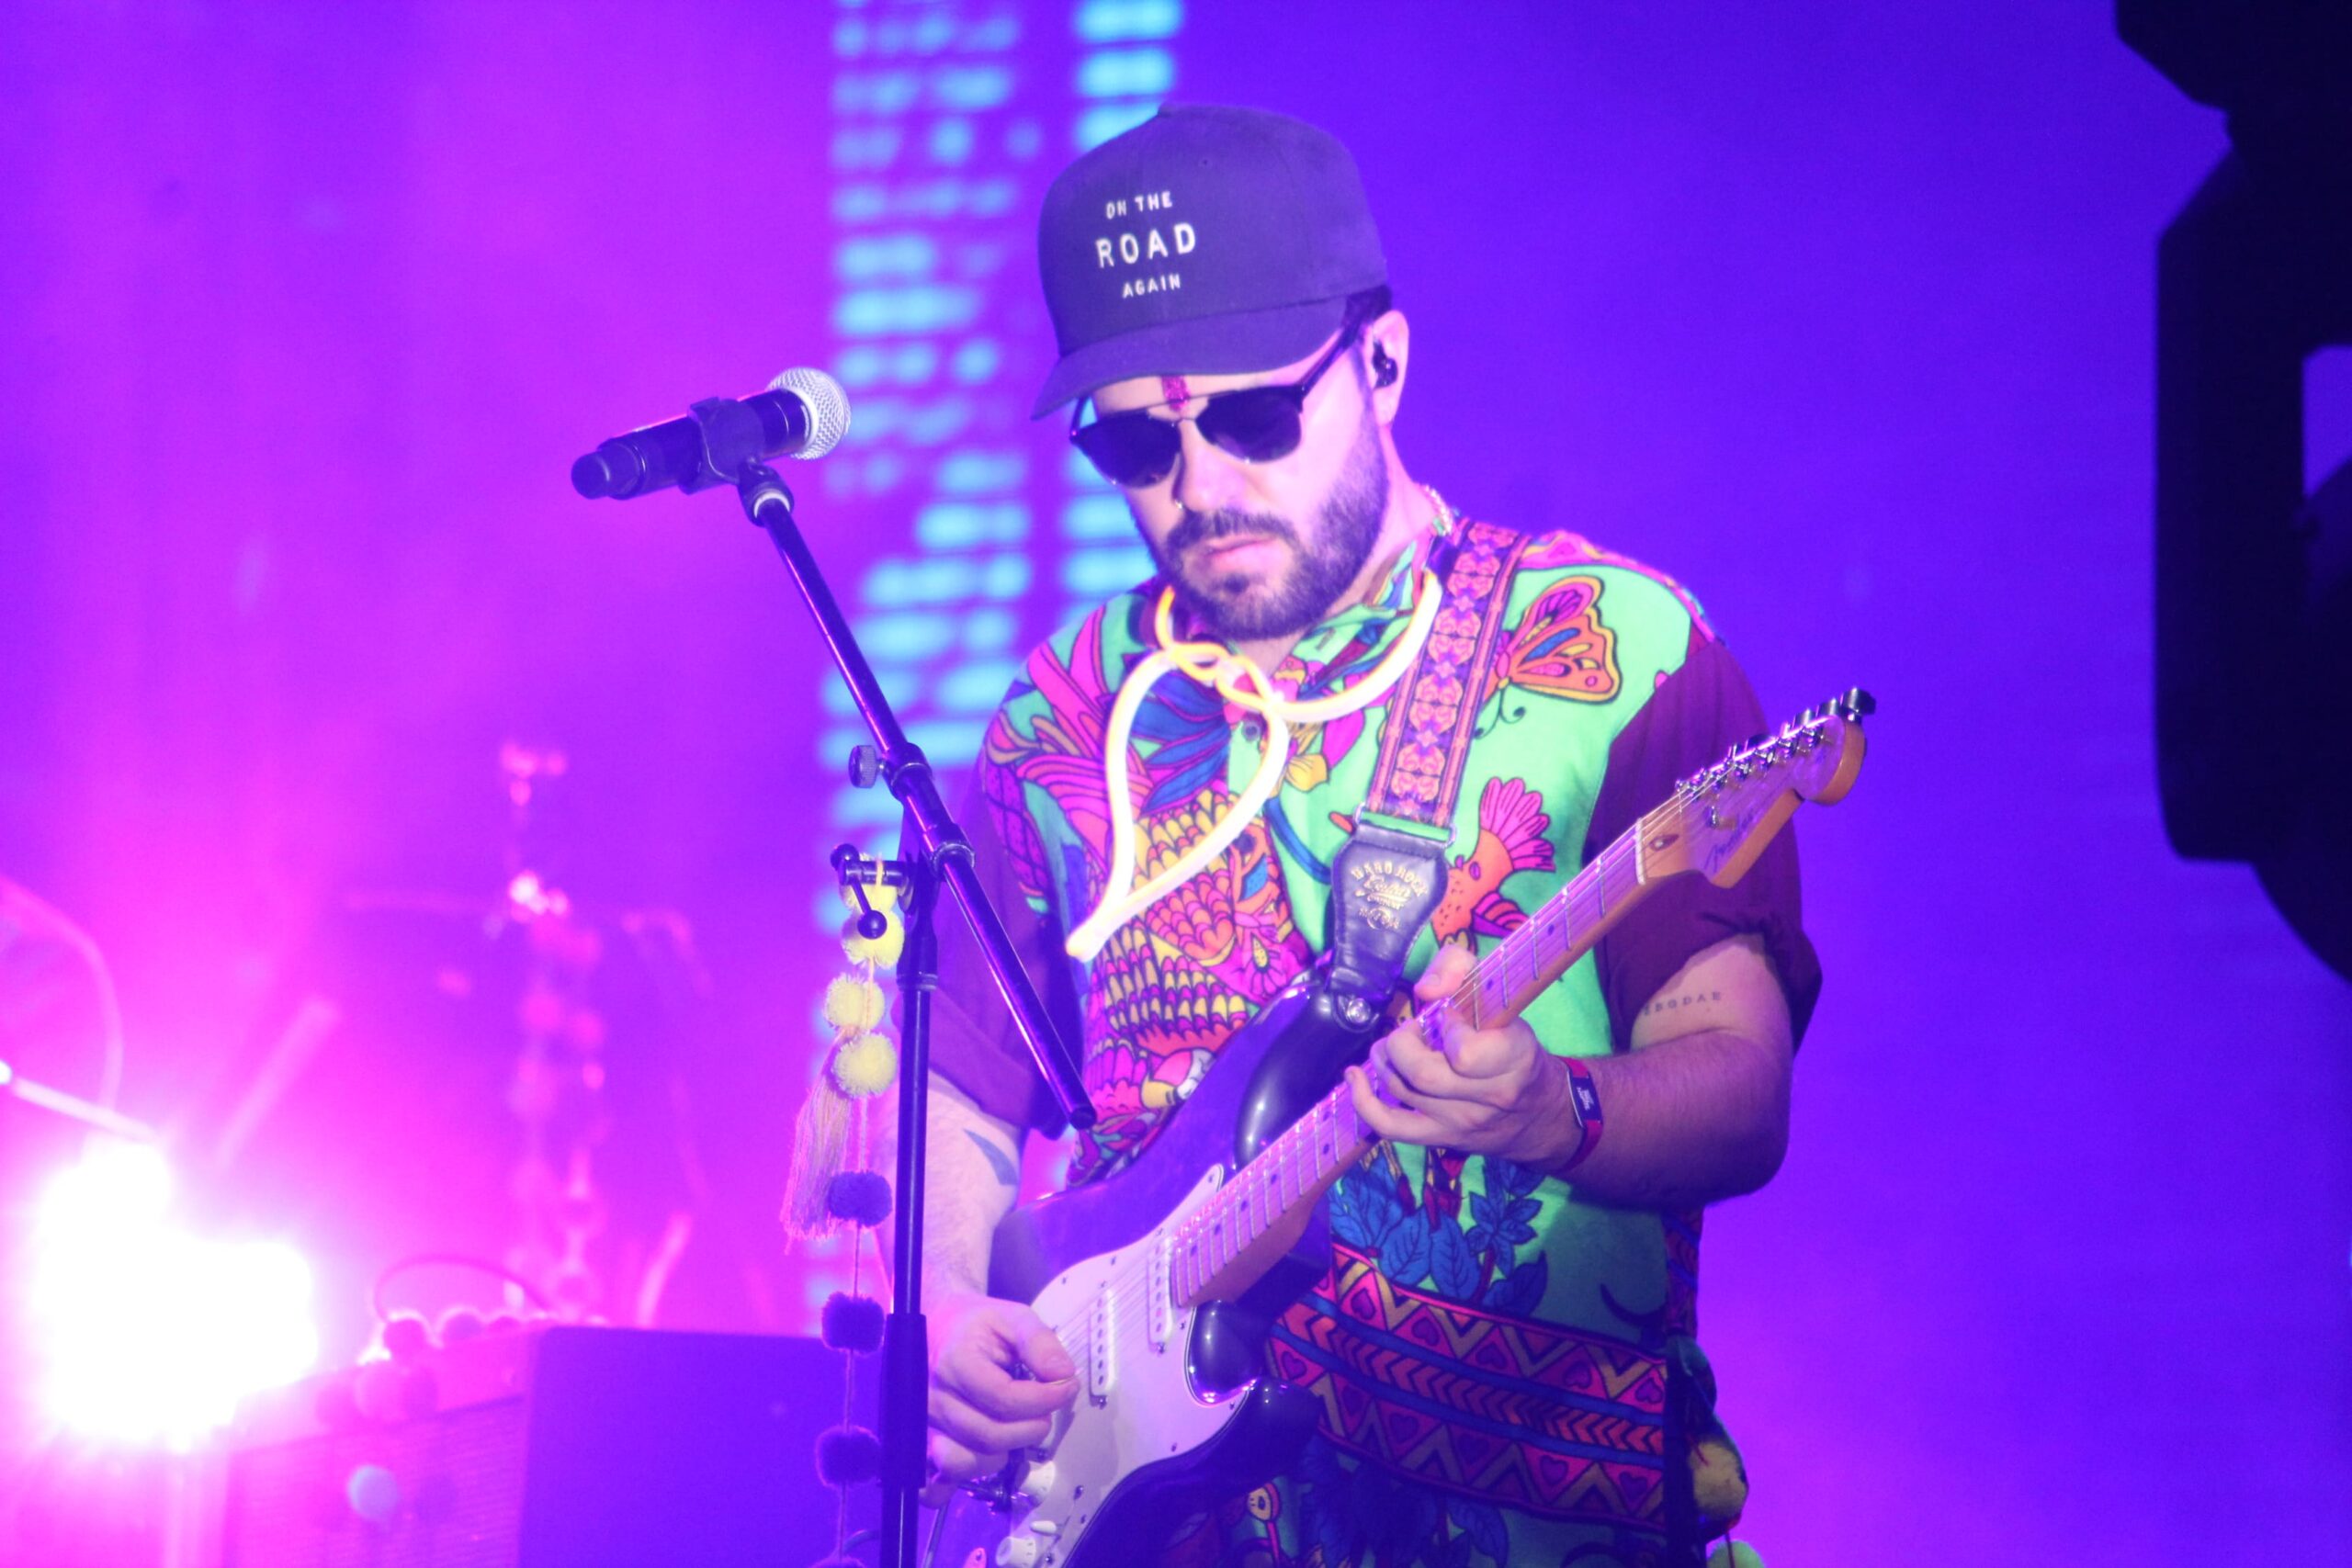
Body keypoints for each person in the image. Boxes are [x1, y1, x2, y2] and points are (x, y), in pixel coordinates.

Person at [914, 104, 1820, 1568]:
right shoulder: (1058, 718)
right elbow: (955, 1086)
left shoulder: (1622, 649)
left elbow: (1742, 1088)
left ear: (1382, 362)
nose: (1202, 487)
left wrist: (1554, 1113)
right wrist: (950, 1306)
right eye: (1136, 443)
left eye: (1253, 419)